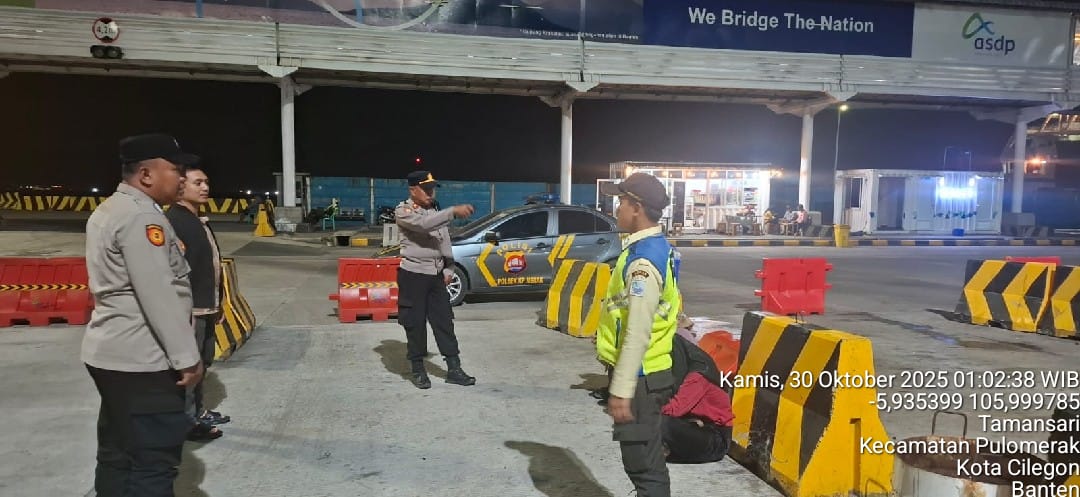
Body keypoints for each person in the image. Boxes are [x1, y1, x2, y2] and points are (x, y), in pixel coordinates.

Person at [82, 133, 203, 497]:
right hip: (142, 359)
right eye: (175, 169)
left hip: (112, 354)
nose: (181, 177)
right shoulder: (141, 217)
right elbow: (158, 293)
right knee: (152, 461)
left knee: (119, 453)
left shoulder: (112, 209)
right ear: (146, 175)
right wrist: (187, 358)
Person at [597, 172, 683, 497]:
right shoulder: (656, 248)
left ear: (636, 208)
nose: (616, 209)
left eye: (620, 202)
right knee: (646, 458)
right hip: (649, 374)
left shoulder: (642, 261)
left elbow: (638, 331)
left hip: (641, 379)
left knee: (643, 467)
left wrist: (622, 390)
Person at [395, 170, 477, 389]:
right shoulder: (403, 211)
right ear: (413, 190)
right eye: (426, 189)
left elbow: (444, 240)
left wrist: (449, 268)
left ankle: (454, 369)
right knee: (415, 323)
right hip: (413, 275)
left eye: (432, 188)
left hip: (436, 276)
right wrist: (453, 211)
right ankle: (418, 369)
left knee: (444, 321)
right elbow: (424, 225)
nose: (431, 193)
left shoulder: (434, 210)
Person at [164, 165, 229, 442]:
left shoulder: (197, 219)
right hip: (190, 310)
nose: (205, 187)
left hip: (206, 305)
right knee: (188, 368)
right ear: (180, 187)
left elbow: (209, 266)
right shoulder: (174, 222)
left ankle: (198, 412)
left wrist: (218, 302)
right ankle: (186, 422)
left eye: (206, 182)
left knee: (202, 362)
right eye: (198, 183)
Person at [661, 335, 733, 464]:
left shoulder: (698, 374)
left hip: (715, 439)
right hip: (693, 426)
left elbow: (674, 409)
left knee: (658, 421)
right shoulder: (684, 370)